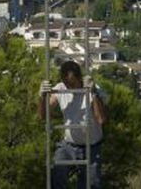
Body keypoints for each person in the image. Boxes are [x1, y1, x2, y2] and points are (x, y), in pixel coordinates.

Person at [39, 60, 106, 189]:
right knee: (57, 171)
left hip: (91, 146)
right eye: (67, 84)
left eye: (72, 83)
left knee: (90, 184)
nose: (70, 87)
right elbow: (43, 116)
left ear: (79, 78)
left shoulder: (92, 89)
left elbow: (101, 119)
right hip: (69, 144)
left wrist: (93, 94)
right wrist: (42, 97)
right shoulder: (60, 89)